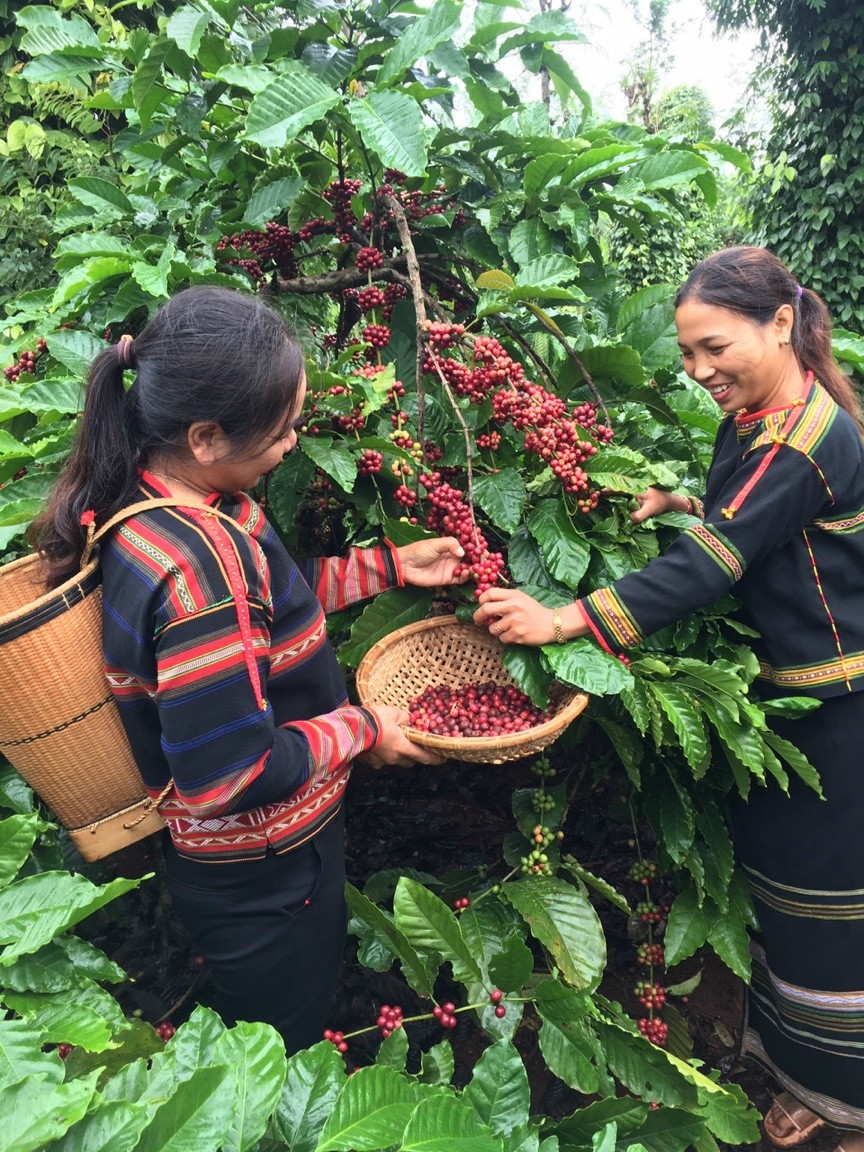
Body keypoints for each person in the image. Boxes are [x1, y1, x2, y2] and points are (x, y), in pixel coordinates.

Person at [474, 247, 864, 1146]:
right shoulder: (763, 413)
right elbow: (744, 516)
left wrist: (565, 618)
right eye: (687, 354)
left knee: (834, 911)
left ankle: (846, 1100)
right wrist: (678, 495)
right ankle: (803, 1069)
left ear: (778, 323)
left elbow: (717, 563)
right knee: (785, 897)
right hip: (780, 701)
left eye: (711, 347)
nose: (697, 372)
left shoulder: (805, 435)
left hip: (837, 710)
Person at [32, 286, 465, 1053]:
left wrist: (390, 565)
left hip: (248, 864)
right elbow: (226, 777)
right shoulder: (200, 569)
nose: (294, 442)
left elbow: (268, 598)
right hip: (264, 876)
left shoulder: (160, 497)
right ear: (205, 436)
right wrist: (364, 729)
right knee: (273, 1055)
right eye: (283, 429)